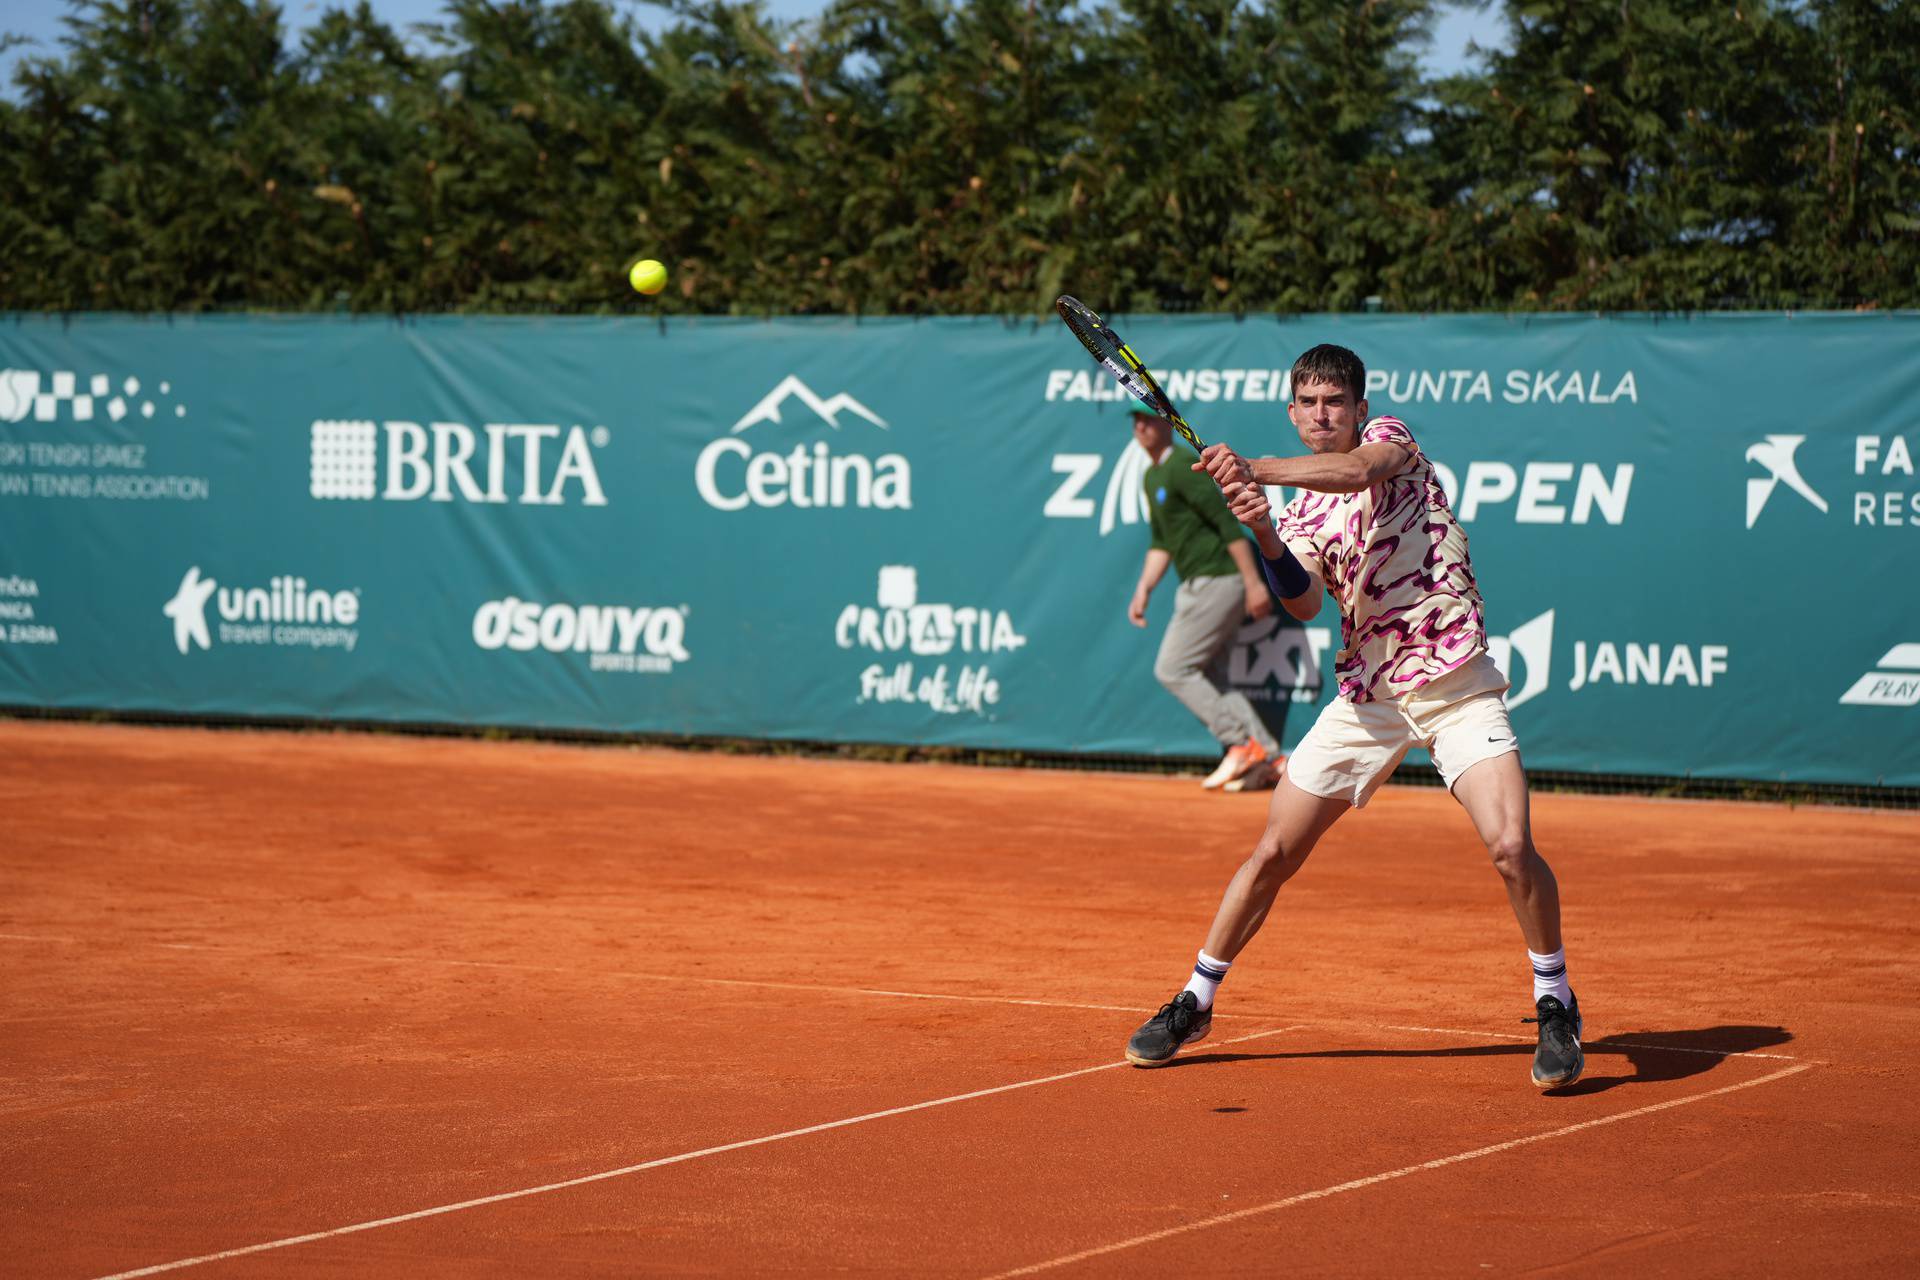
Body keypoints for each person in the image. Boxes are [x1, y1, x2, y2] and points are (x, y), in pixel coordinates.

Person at [1122, 344, 1584, 1090]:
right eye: (1307, 403)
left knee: (1509, 845)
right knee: (1273, 852)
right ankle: (1196, 1000)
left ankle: (1555, 999)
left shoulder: (1390, 443)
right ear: (1293, 411)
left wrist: (1257, 468)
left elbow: (1357, 474)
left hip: (1453, 682)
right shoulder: (1304, 507)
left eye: (1335, 401)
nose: (1321, 415)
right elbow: (1303, 602)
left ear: (1362, 409)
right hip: (1367, 697)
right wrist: (1268, 534)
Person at [1125, 408, 1284, 792]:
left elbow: (1228, 522)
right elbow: (1163, 541)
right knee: (1212, 675)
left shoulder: (1181, 463)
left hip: (1218, 578)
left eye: (1150, 419)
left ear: (1167, 424)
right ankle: (1269, 757)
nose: (1142, 427)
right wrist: (1144, 588)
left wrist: (1254, 584)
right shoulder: (1153, 476)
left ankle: (1239, 743)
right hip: (1201, 581)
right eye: (1137, 421)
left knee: (1173, 668)